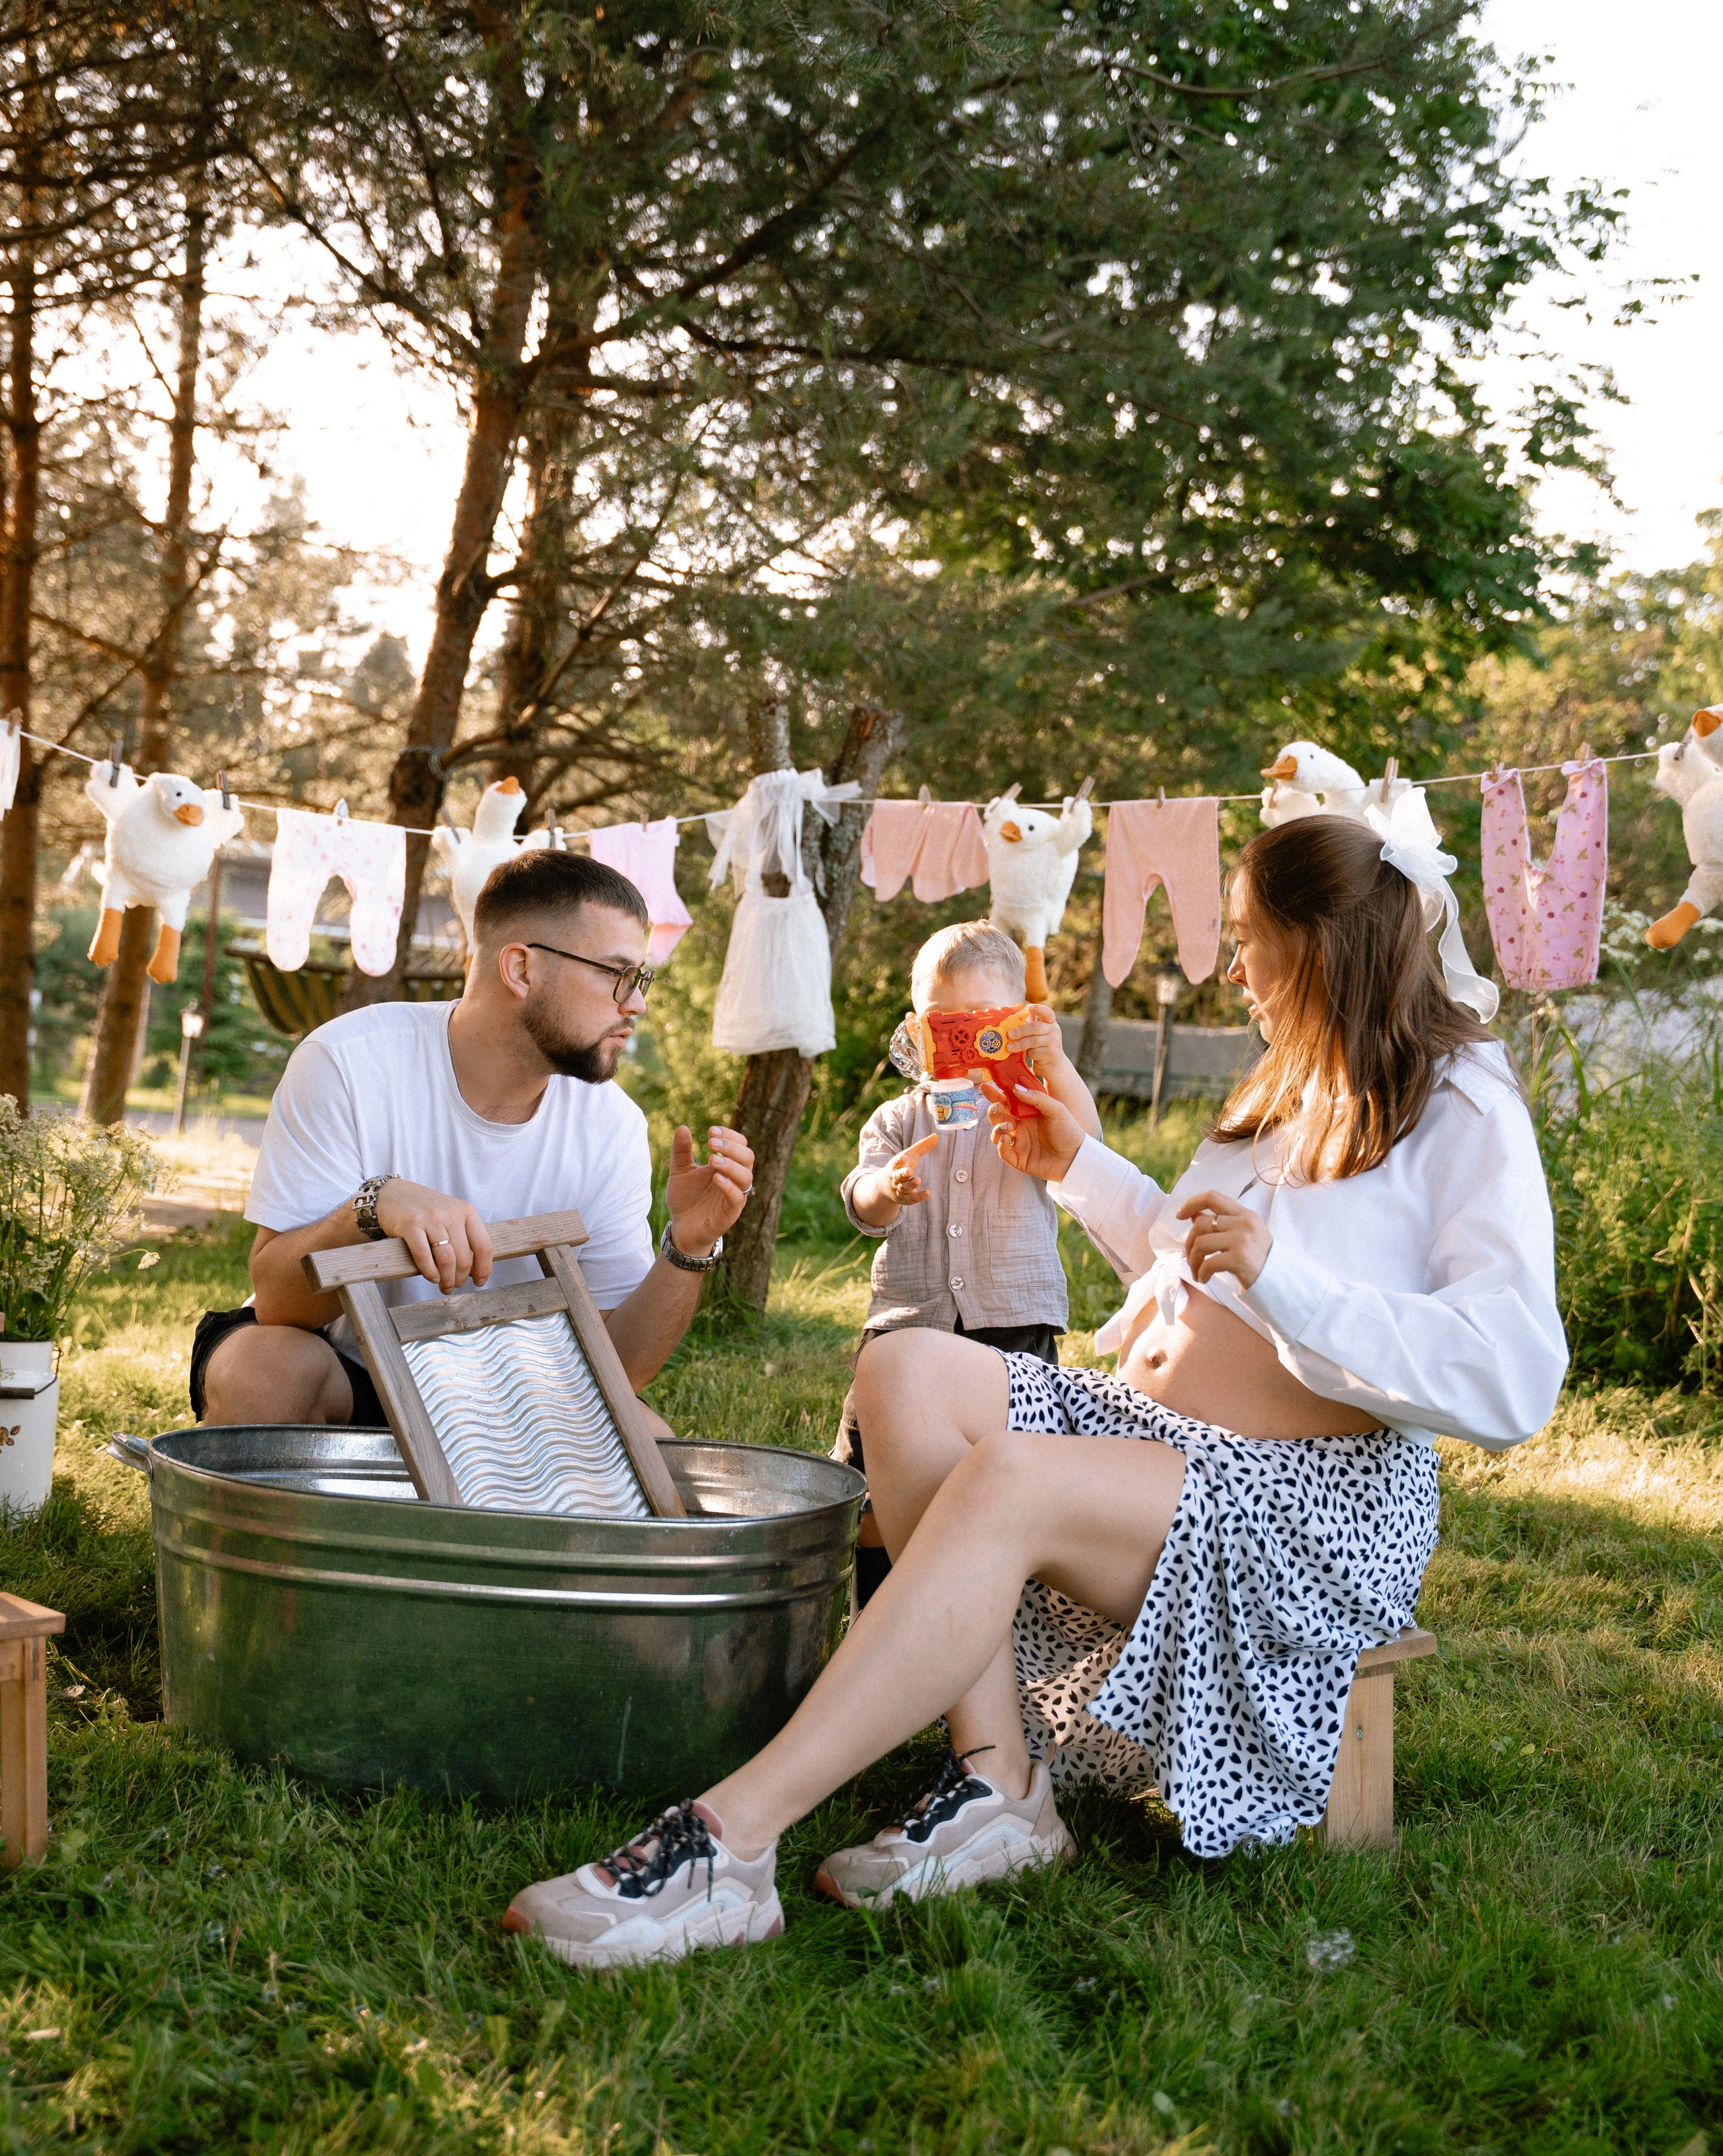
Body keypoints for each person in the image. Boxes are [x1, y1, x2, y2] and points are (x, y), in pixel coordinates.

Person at [502, 814, 1568, 1970]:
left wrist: (1291, 1283)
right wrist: (1079, 1170)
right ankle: (999, 1785)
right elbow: (1191, 1272)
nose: (1233, 966)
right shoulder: (1285, 1085)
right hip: (1163, 1439)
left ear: (1324, 945)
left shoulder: (1458, 1096)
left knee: (1008, 1475)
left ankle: (730, 1842)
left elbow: (1513, 1376)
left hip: (1308, 1509)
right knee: (902, 1366)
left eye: (1252, 939)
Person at [190, 848, 754, 1429]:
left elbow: (621, 1371)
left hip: (511, 1399)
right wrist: (373, 1207)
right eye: (616, 975)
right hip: (348, 1372)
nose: (636, 1003)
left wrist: (688, 1245)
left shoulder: (613, 1124)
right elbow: (281, 1302)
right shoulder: (347, 1062)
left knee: (653, 1443)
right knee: (262, 1370)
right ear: (521, 969)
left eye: (641, 979)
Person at [835, 921, 1100, 1604]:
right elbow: (860, 1202)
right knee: (871, 1492)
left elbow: (1091, 1154)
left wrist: (1057, 1066)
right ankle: (879, 1615)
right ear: (915, 1026)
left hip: (1011, 1325)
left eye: (977, 1026)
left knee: (1005, 1483)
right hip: (906, 1327)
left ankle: (995, 1624)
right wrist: (886, 1189)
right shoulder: (899, 1119)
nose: (956, 1041)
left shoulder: (1035, 1108)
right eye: (939, 1025)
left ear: (1016, 1023)